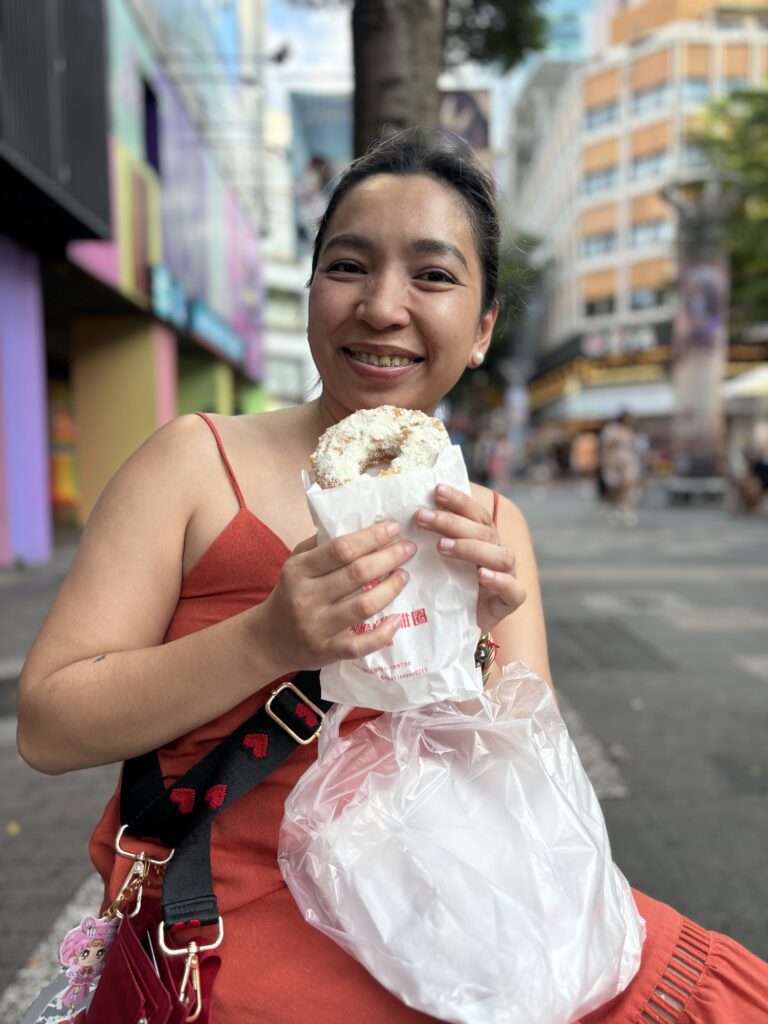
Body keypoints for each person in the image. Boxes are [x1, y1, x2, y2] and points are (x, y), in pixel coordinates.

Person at [17, 130, 768, 1023]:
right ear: (309, 296)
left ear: (483, 330)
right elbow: (49, 726)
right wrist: (266, 638)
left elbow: (530, 799)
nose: (381, 306)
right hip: (232, 932)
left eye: (433, 275)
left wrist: (479, 653)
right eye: (348, 266)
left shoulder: (494, 527)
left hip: (453, 928)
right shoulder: (193, 462)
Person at [599, 411, 643, 525]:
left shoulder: (632, 431)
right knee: (615, 488)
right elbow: (606, 447)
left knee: (629, 486)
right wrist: (606, 463)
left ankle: (629, 511)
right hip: (614, 462)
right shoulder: (612, 430)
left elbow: (637, 449)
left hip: (630, 462)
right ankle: (615, 508)